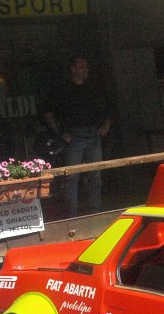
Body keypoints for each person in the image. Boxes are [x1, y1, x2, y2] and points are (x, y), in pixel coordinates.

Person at [43, 55, 112, 217]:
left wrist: (106, 124)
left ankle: (96, 210)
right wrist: (60, 133)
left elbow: (107, 107)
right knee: (72, 176)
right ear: (73, 69)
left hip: (93, 133)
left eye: (86, 68)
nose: (85, 71)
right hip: (73, 136)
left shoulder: (93, 88)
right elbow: (48, 111)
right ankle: (71, 214)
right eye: (81, 68)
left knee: (95, 174)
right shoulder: (63, 90)